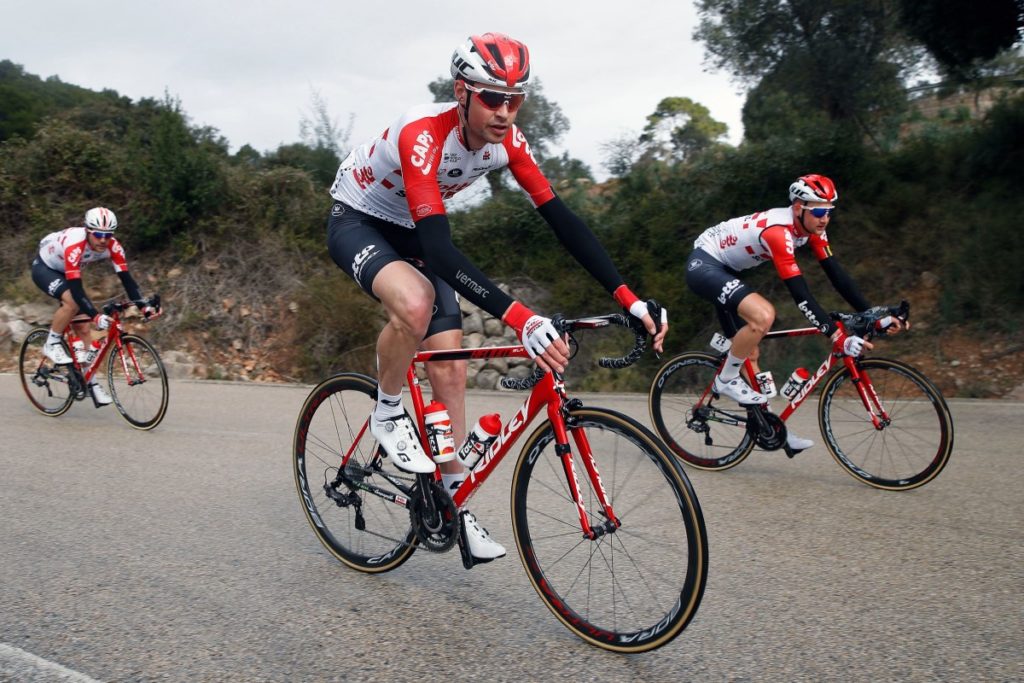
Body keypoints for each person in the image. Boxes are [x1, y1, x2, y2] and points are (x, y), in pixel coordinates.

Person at [326, 32, 667, 563]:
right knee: (415, 305)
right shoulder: (424, 133)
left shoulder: (510, 141)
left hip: (413, 231)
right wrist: (521, 318)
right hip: (361, 219)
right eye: (492, 98)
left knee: (451, 368)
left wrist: (629, 297)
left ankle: (451, 501)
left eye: (516, 99)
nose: (505, 112)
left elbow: (564, 222)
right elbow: (440, 250)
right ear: (462, 92)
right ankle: (388, 412)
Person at [685, 174, 906, 451]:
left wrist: (873, 314)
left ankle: (770, 429)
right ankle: (725, 379)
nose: (824, 218)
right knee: (764, 315)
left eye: (829, 211)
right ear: (799, 207)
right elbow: (801, 296)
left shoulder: (812, 229)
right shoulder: (780, 231)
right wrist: (837, 336)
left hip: (727, 270)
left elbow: (837, 276)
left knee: (750, 353)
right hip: (705, 263)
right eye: (818, 211)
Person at [31, 207, 159, 405]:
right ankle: (52, 343)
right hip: (46, 268)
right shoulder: (76, 245)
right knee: (73, 302)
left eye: (108, 235)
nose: (103, 240)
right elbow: (75, 288)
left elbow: (127, 280)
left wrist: (144, 307)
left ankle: (89, 381)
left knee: (84, 330)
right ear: (88, 231)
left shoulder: (113, 246)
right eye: (98, 234)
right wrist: (95, 315)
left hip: (67, 272)